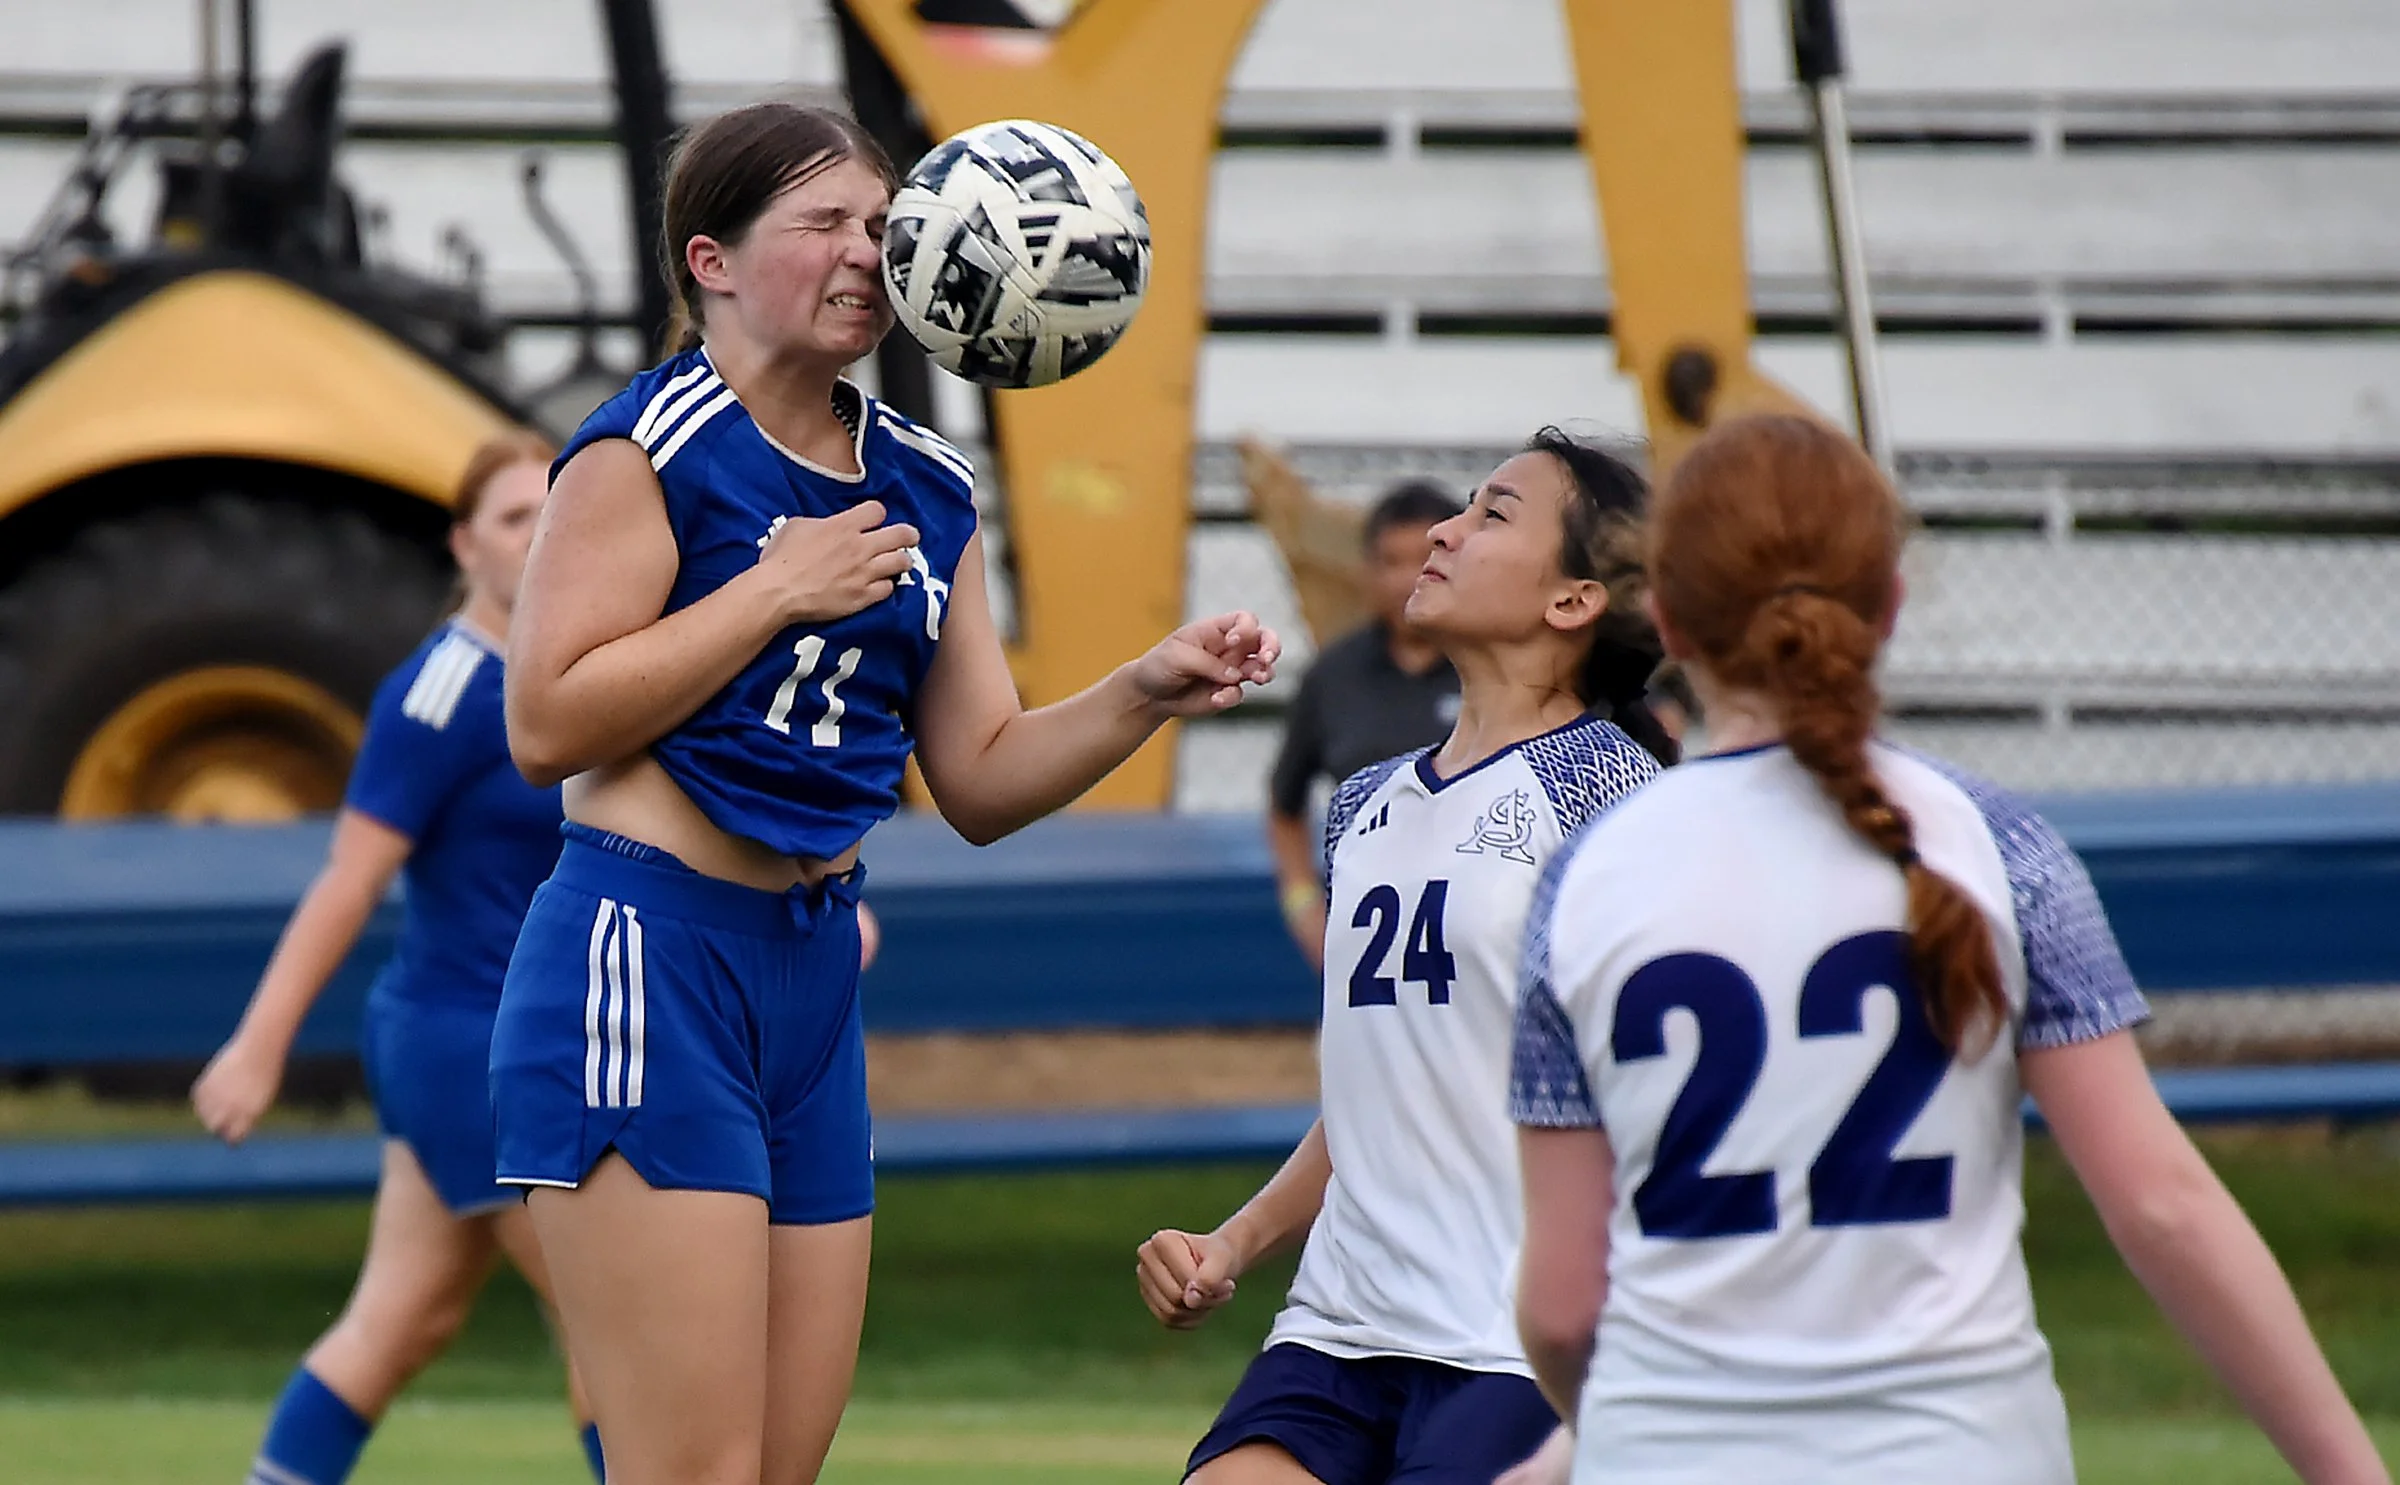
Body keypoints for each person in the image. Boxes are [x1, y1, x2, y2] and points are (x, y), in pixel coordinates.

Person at [488, 102, 1277, 1485]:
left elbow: (975, 779)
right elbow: (545, 721)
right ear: (713, 260)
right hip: (644, 957)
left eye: (883, 223)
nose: (871, 252)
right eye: (826, 225)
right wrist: (773, 591)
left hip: (809, 981)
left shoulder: (927, 478)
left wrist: (1141, 689)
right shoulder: (648, 450)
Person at [1509, 413, 2388, 1485]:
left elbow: (1562, 1308)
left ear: (1669, 622)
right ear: (1890, 605)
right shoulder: (1992, 842)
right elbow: (2161, 1204)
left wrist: (1602, 1439)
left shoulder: (1589, 876)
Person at [1136, 428, 1678, 1485]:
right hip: (1334, 1335)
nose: (1445, 530)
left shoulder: (1615, 798)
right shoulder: (1364, 805)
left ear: (1572, 601)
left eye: (1493, 517)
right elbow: (1384, 1090)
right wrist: (1234, 1244)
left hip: (1510, 1350)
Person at [189, 432, 607, 1485]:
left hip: (537, 1041)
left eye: (557, 510)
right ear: (466, 545)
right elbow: (348, 880)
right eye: (514, 518)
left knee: (400, 1323)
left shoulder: (587, 665)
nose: (540, 535)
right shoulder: (440, 696)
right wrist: (257, 1044)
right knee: (618, 1329)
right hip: (471, 1050)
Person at [1267, 481, 1465, 971]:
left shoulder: (1505, 665)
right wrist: (1302, 905)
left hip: (1484, 927)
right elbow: (1283, 805)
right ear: (1366, 572)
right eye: (1390, 562)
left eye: (1423, 558)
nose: (1406, 579)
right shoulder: (1332, 675)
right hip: (1369, 944)